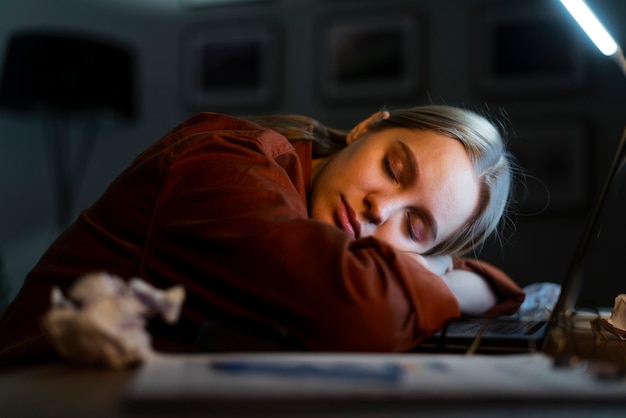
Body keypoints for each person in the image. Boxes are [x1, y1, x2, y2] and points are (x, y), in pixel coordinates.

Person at [0, 104, 524, 366]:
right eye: (392, 167)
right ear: (367, 127)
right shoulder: (226, 160)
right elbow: (357, 309)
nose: (379, 207)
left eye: (413, 227)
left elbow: (499, 287)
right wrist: (445, 281)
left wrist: (446, 273)